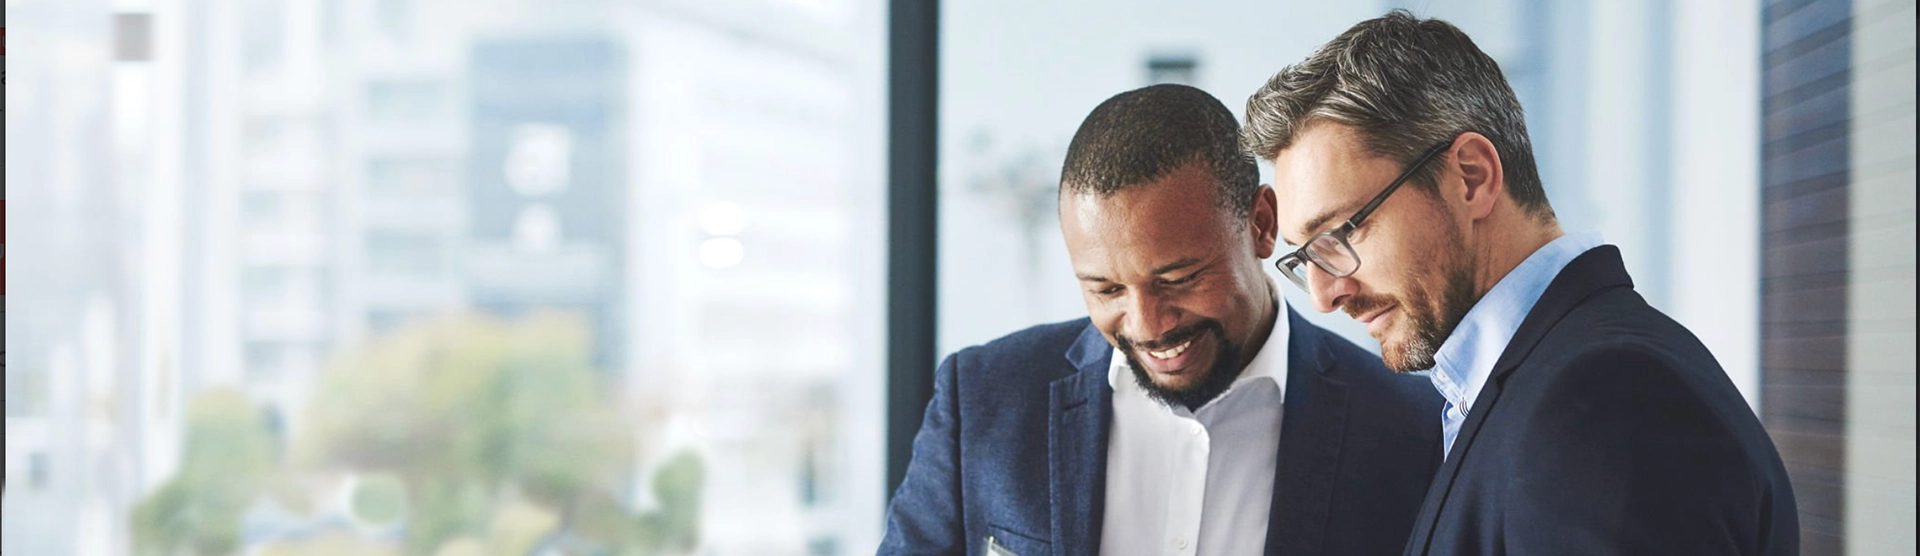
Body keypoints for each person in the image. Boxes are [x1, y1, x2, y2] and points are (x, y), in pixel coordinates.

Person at [1241, 11, 1799, 556]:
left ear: (1471, 177)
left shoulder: (1605, 399)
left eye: (1340, 233)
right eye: (1306, 256)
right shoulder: (1533, 385)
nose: (1324, 294)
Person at [878, 84, 1442, 556]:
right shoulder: (983, 398)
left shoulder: (1408, 431)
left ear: (1262, 224)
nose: (1147, 325)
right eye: (1105, 289)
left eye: (1178, 278)